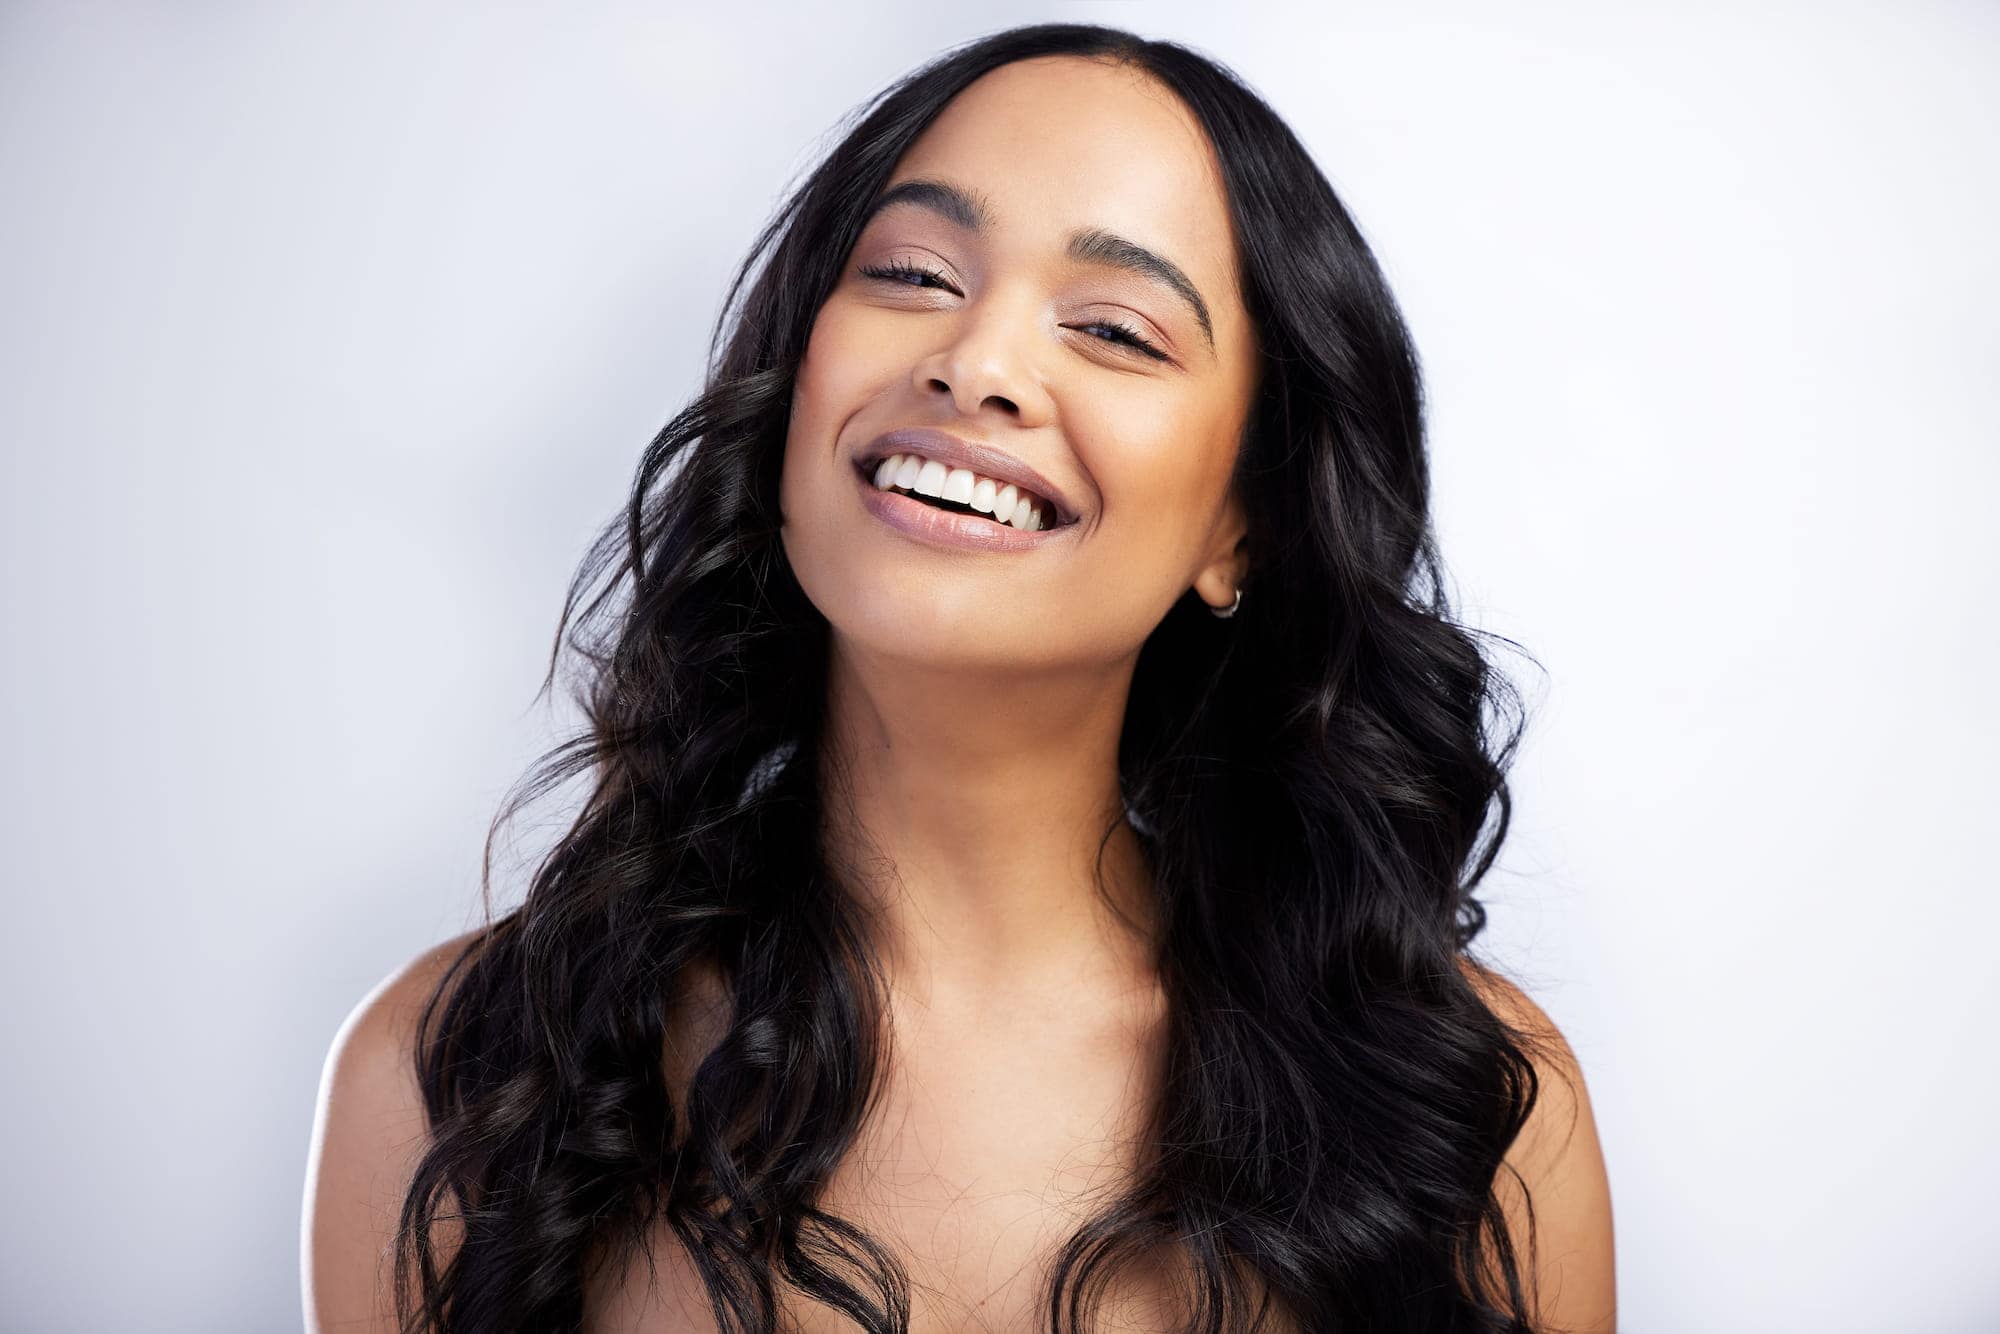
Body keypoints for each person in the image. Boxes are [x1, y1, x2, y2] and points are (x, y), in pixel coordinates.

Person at [303, 21, 1615, 1333]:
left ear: (1241, 523)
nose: (977, 364)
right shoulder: (454, 1086)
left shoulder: (1479, 1117)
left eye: (1113, 328)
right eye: (915, 273)